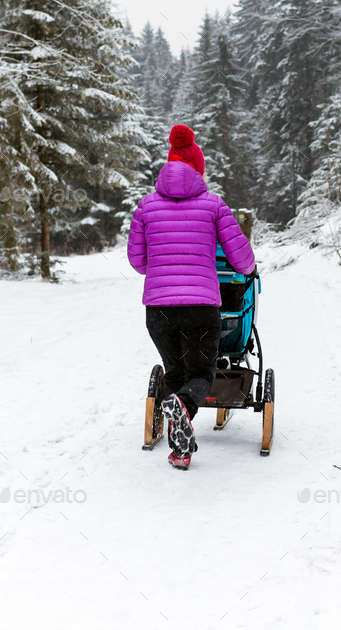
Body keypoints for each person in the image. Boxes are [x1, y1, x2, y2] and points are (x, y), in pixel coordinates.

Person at [127, 124, 255, 470]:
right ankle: (183, 405)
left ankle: (180, 450)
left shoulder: (145, 208)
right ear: (198, 170)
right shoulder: (214, 206)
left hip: (159, 310)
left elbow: (138, 262)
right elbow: (242, 260)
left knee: (176, 372)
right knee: (201, 373)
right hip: (200, 307)